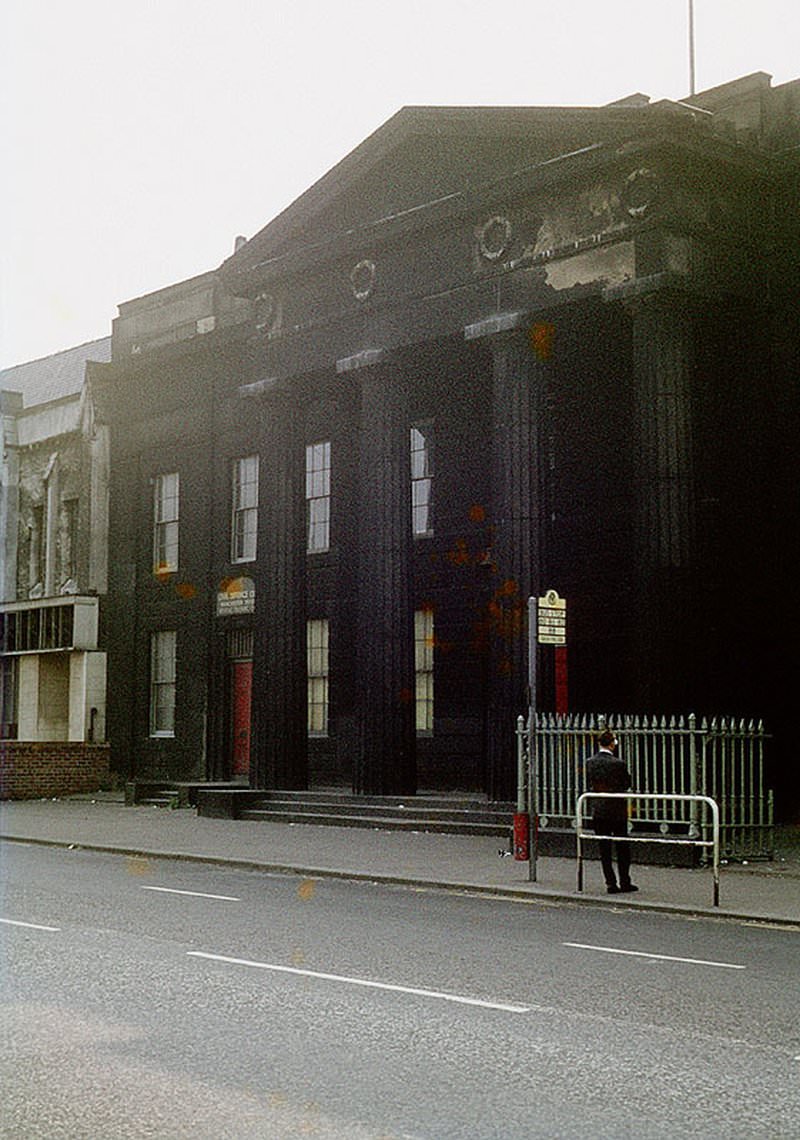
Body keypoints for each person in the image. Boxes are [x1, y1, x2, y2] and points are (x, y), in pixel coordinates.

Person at [585, 729, 638, 894]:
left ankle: (610, 883)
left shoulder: (589, 762)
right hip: (617, 810)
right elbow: (626, 783)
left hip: (599, 810)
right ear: (612, 743)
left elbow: (590, 782)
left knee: (604, 848)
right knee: (622, 847)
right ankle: (625, 881)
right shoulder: (618, 763)